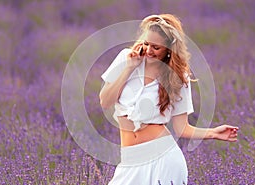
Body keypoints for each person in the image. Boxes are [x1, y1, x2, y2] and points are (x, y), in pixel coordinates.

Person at [99, 14, 239, 185]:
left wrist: (213, 133)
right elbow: (105, 101)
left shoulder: (178, 78)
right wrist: (129, 68)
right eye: (147, 44)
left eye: (156, 47)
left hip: (164, 159)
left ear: (169, 50)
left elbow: (182, 128)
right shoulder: (125, 58)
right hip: (130, 160)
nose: (149, 51)